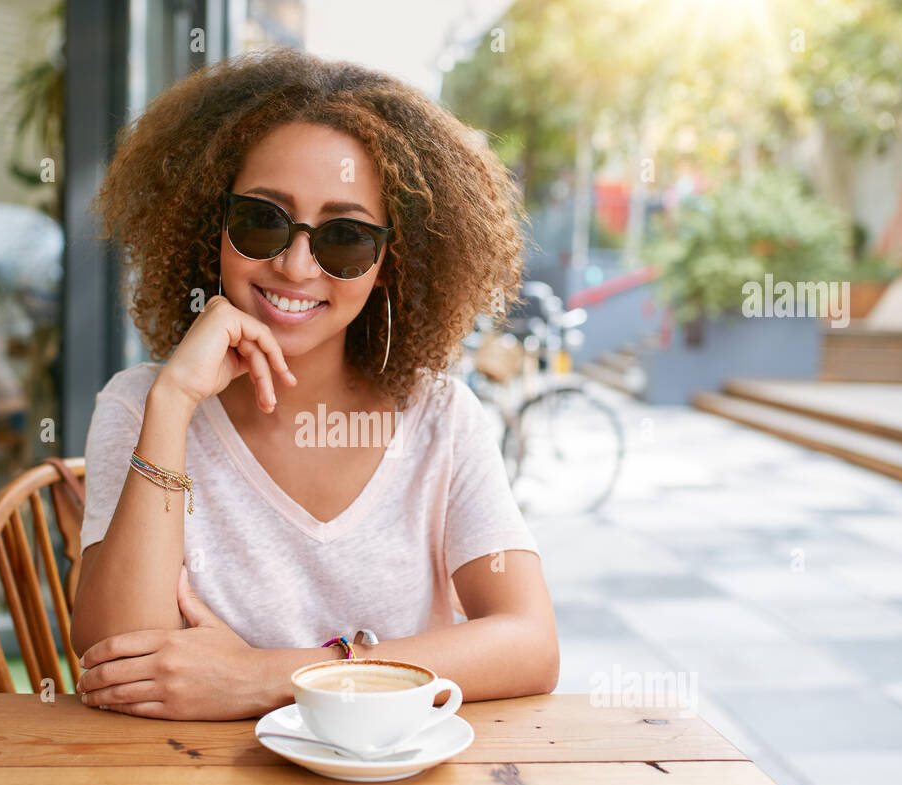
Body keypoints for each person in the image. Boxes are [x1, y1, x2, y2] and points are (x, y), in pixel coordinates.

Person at [69, 47, 557, 720]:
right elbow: (116, 656)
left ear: (389, 262)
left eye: (346, 237)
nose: (296, 266)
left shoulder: (440, 418)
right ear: (216, 227)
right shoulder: (143, 405)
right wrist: (175, 402)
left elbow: (529, 643)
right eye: (262, 220)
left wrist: (273, 676)